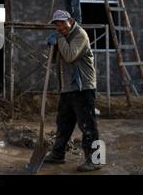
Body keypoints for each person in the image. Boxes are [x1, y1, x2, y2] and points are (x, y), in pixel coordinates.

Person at [44, 10, 101, 172]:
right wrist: (52, 47)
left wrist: (60, 39)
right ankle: (58, 154)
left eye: (61, 24)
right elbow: (57, 60)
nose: (59, 28)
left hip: (83, 88)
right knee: (63, 124)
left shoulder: (79, 35)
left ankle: (96, 159)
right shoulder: (64, 36)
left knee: (88, 125)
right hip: (67, 87)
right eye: (56, 25)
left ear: (70, 20)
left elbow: (70, 56)